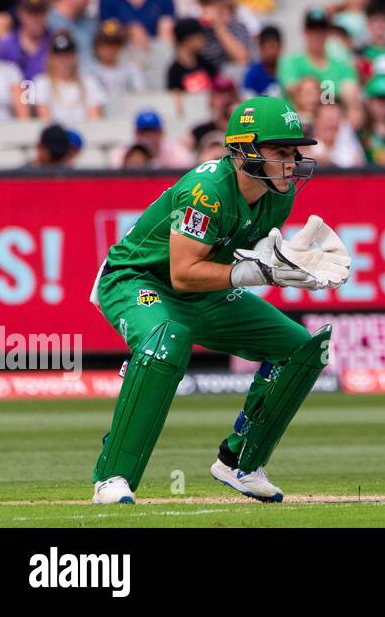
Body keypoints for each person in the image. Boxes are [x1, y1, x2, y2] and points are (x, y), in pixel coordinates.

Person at [88, 95, 351, 505]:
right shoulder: (205, 190)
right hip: (138, 279)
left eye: (294, 152)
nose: (292, 162)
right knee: (165, 341)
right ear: (245, 150)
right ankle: (113, 477)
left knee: (302, 347)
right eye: (280, 152)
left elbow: (244, 254)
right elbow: (182, 272)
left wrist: (283, 265)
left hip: (203, 291)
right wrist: (255, 272)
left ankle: (240, 461)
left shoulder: (280, 194)